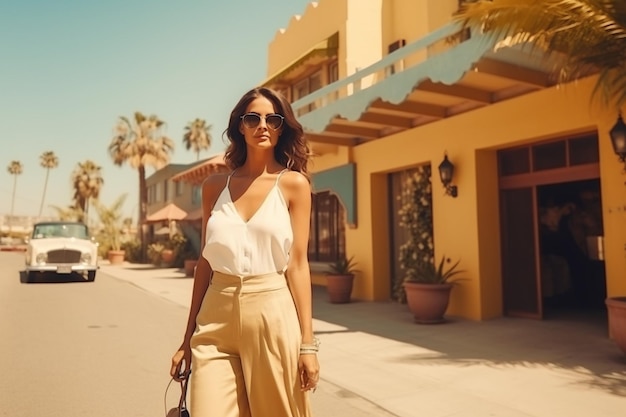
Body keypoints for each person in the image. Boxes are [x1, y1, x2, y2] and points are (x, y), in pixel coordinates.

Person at [170, 86, 319, 417]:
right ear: (240, 125)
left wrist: (307, 344)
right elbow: (205, 265)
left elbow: (297, 265)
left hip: (272, 313)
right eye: (253, 118)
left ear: (282, 127)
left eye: (272, 119)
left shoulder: (294, 185)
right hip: (215, 319)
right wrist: (186, 339)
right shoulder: (215, 187)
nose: (262, 125)